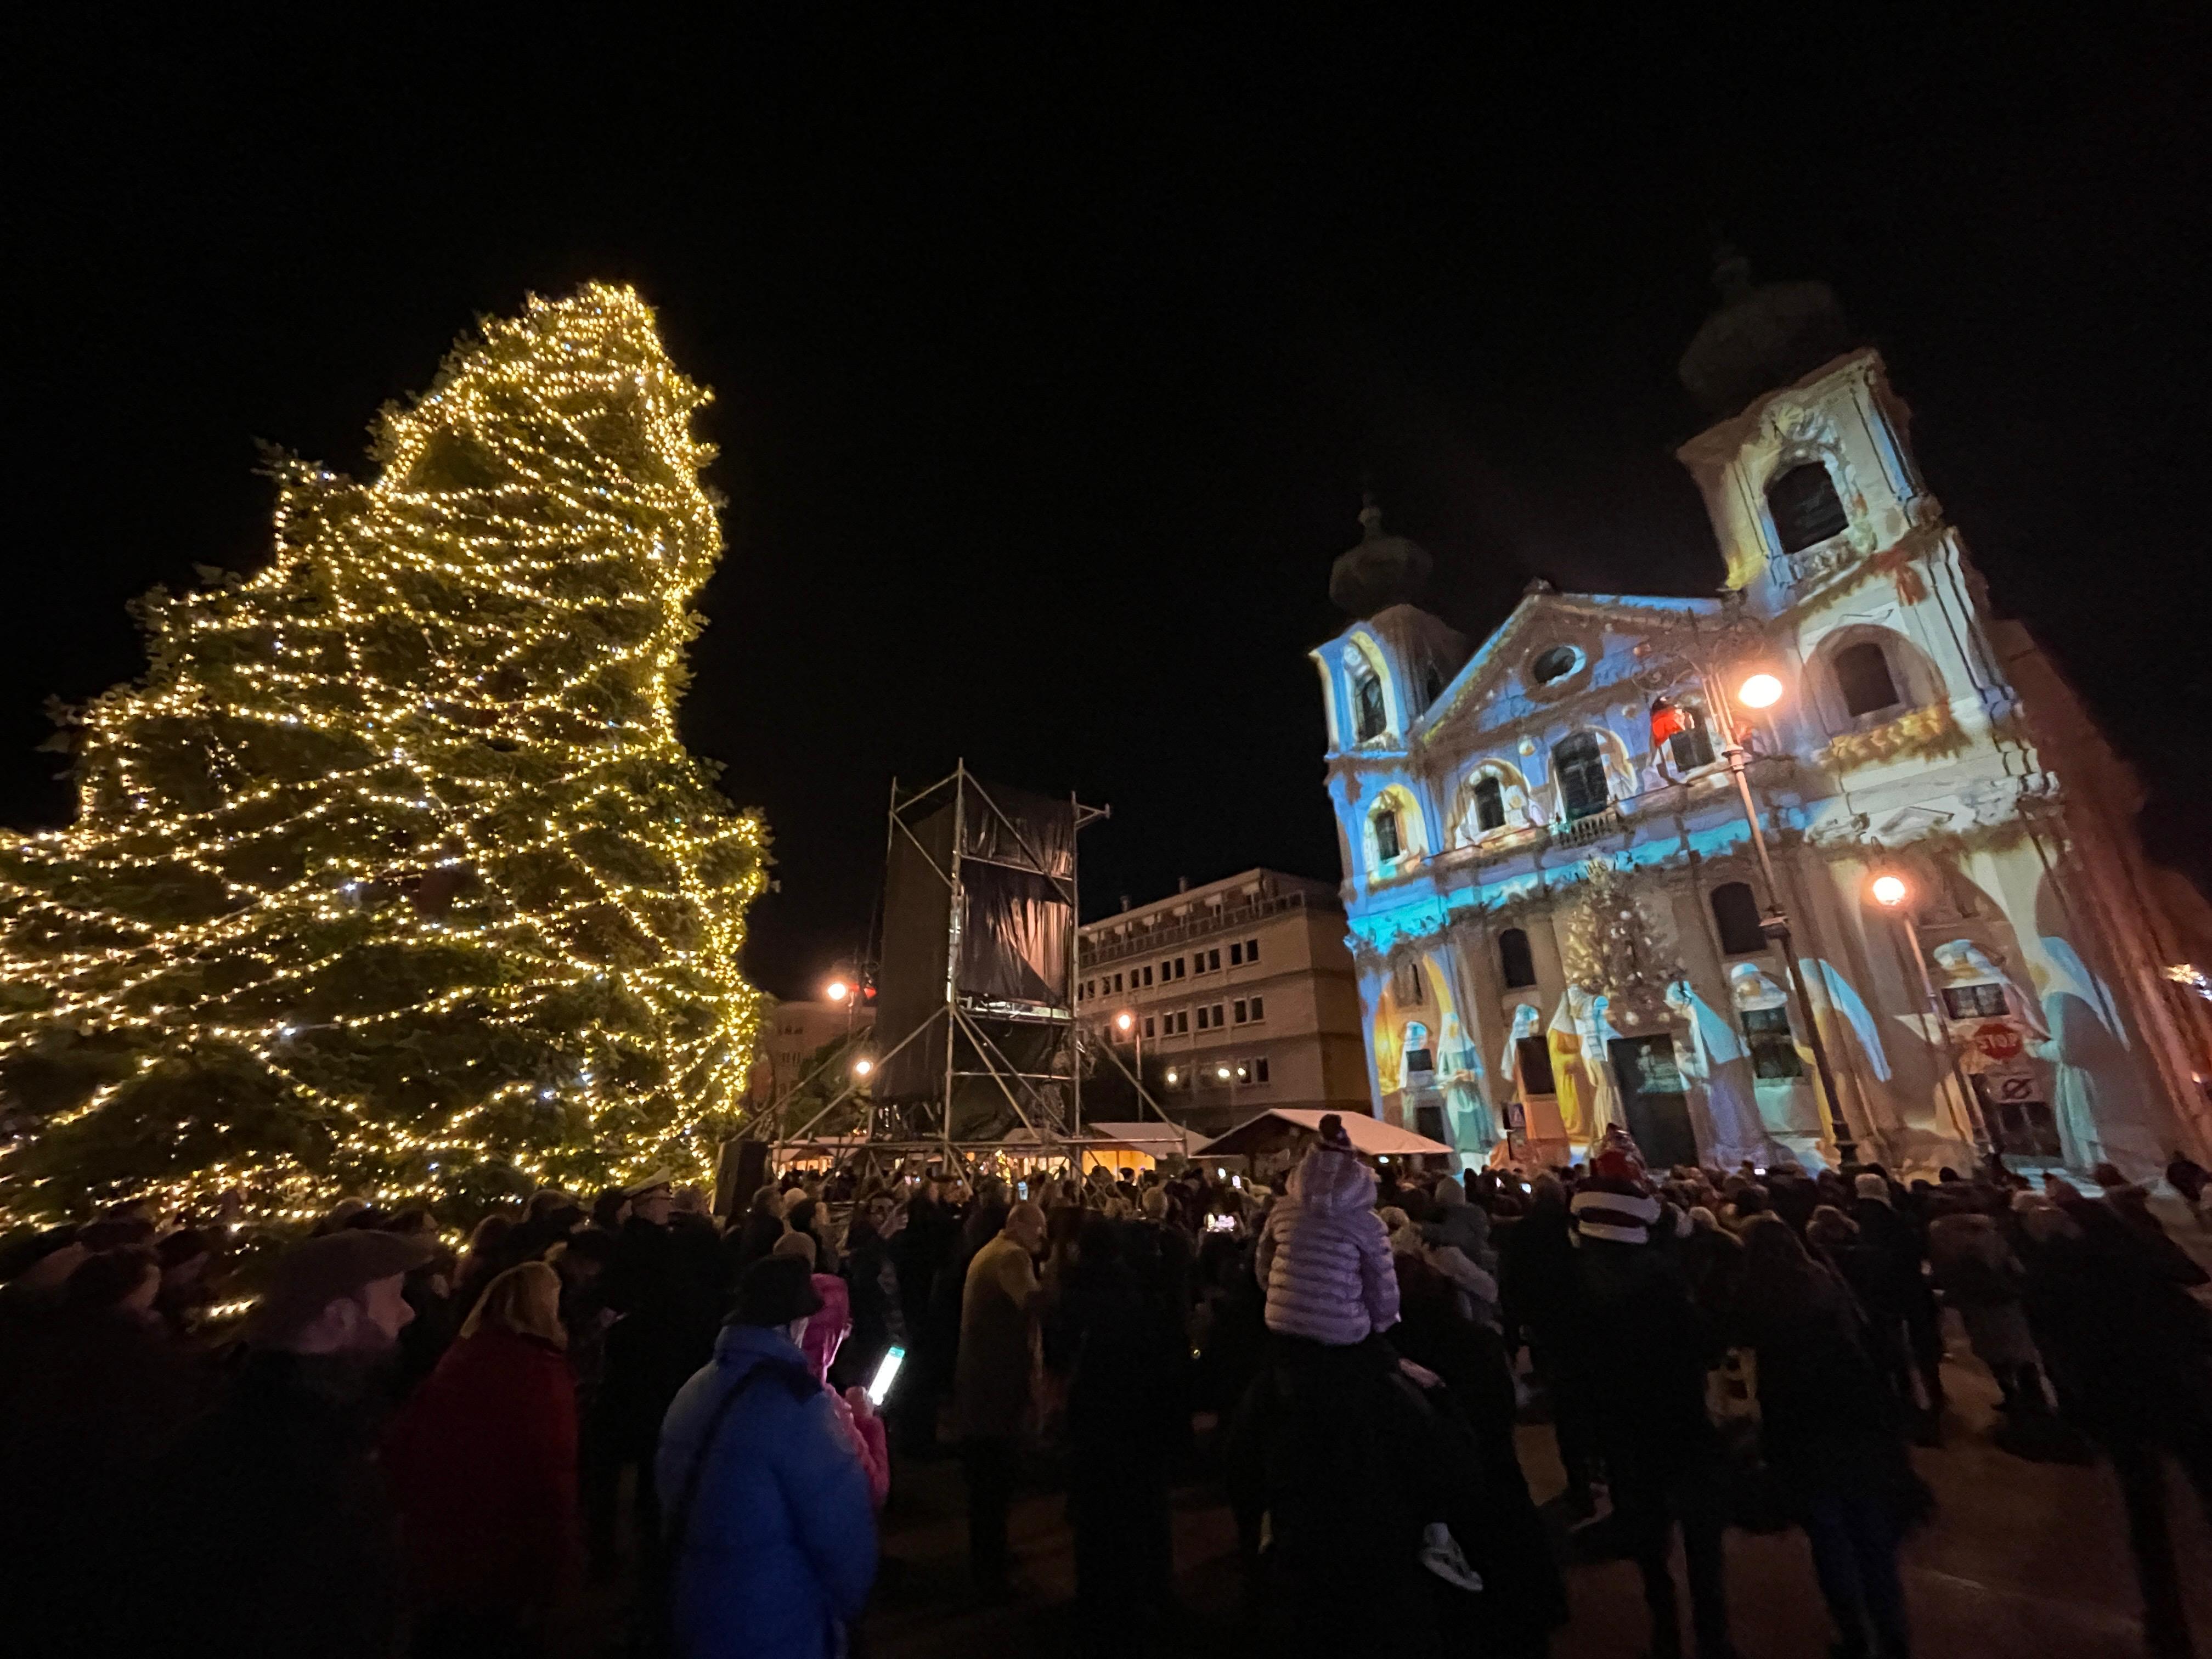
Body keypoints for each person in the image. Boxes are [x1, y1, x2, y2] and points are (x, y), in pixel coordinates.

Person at [137, 1228, 433, 1659]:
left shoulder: (318, 1419)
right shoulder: (289, 1456)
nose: (407, 1313)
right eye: (394, 1296)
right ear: (338, 1317)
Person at [2018, 1192, 2212, 1658]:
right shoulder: (2128, 1260)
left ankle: (2166, 1623)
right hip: (2177, 1392)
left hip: (2118, 1407)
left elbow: (2057, 1355)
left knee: (2146, 1515)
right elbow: (2189, 1293)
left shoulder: (2047, 1283)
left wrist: (2081, 1411)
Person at [656, 1256, 877, 1659]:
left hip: (692, 1611)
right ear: (796, 1324)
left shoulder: (695, 1387)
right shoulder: (797, 1406)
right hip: (776, 1621)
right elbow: (844, 1536)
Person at [1570, 1147, 1737, 1659]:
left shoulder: (1581, 1292)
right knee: (1703, 1544)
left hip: (1627, 1440)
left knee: (1649, 1545)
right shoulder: (1665, 1284)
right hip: (1684, 1429)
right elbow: (1711, 1338)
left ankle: (1664, 1632)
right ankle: (1713, 1637)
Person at [1736, 1216, 1919, 1659]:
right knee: (1871, 1536)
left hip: (1800, 1430)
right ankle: (1893, 1635)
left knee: (1828, 1537)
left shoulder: (1755, 1297)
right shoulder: (1823, 1281)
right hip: (1852, 1417)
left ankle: (1853, 1633)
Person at [384, 1261, 583, 1658]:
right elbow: (550, 1473)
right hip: (503, 1547)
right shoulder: (538, 1372)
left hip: (440, 1538)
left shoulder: (464, 1356)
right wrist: (556, 1566)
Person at [1043, 1215, 1181, 1652]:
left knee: (1096, 1511)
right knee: (1143, 1505)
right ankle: (1151, 1592)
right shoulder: (1137, 1287)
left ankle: (1099, 1601)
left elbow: (1058, 1352)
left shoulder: (1074, 1293)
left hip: (1094, 1412)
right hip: (1138, 1411)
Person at [955, 1198, 1046, 1594]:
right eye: (1038, 1231)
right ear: (1021, 1225)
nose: (1041, 1239)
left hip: (979, 1381)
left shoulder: (989, 1252)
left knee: (987, 1483)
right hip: (996, 1383)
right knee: (993, 1482)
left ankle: (989, 1558)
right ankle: (990, 1573)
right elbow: (1033, 1303)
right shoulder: (1011, 1258)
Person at [1255, 1114, 1398, 1346]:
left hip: (1282, 1325)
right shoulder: (1367, 1223)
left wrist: (1280, 1295)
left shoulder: (1281, 1209)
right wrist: (1383, 1322)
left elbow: (1264, 1260)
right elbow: (1382, 1284)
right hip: (1343, 1329)